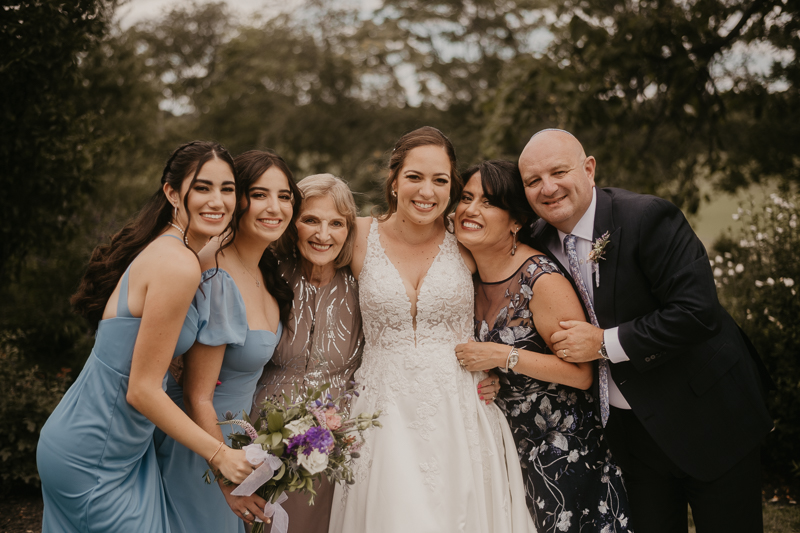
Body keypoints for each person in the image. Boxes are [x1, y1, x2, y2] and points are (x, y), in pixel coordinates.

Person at [519, 129, 773, 533]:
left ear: (588, 169)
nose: (547, 188)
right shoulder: (535, 242)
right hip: (628, 435)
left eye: (558, 171)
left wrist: (602, 343)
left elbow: (696, 312)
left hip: (707, 413)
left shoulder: (648, 217)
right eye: (533, 181)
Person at [37, 141, 257, 533]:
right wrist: (220, 454)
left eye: (227, 189)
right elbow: (141, 390)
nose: (218, 200)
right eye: (203, 187)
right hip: (96, 451)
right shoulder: (177, 265)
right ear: (173, 193)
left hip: (110, 444)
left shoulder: (174, 252)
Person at [329, 127, 535, 533]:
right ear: (394, 181)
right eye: (415, 177)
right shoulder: (357, 235)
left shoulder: (468, 241)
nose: (427, 191)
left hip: (460, 409)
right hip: (381, 412)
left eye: (440, 180)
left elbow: (513, 290)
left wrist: (494, 359)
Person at [453, 160, 632, 533]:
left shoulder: (541, 279)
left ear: (515, 221)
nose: (470, 209)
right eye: (466, 198)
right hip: (504, 443)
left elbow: (581, 374)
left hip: (560, 448)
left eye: (488, 202)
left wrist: (505, 356)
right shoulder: (463, 276)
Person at [156, 150, 300, 533]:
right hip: (202, 450)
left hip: (236, 449)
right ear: (238, 201)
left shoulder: (265, 271)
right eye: (260, 194)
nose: (275, 207)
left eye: (284, 196)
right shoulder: (217, 275)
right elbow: (196, 395)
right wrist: (226, 477)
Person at [251, 173, 364, 533]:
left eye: (336, 223)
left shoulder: (365, 284)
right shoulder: (267, 276)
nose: (323, 234)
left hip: (336, 448)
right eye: (311, 220)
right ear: (292, 223)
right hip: (261, 439)